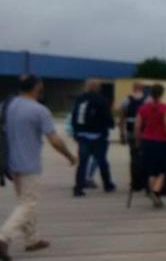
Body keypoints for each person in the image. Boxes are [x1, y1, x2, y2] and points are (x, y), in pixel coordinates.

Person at [0, 75, 77, 260]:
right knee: (29, 203)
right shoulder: (39, 110)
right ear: (37, 88)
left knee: (25, 200)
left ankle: (31, 240)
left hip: (10, 163)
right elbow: (54, 140)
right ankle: (3, 237)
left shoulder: (5, 105)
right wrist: (69, 155)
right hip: (29, 164)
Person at [135, 84, 166, 208]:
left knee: (151, 170)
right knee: (162, 170)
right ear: (162, 94)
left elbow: (137, 126)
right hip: (162, 143)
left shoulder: (143, 108)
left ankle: (152, 192)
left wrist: (138, 141)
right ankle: (156, 192)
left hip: (147, 141)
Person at [72, 80, 116, 197]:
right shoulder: (102, 100)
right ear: (98, 88)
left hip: (82, 135)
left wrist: (76, 132)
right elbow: (107, 117)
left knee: (83, 162)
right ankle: (108, 184)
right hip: (98, 135)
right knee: (102, 161)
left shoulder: (80, 99)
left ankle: (78, 187)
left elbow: (74, 115)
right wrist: (111, 125)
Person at [118, 82, 146, 153]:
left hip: (130, 129)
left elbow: (121, 118)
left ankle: (134, 162)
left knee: (133, 151)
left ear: (133, 88)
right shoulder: (148, 100)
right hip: (144, 130)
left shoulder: (125, 100)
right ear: (143, 89)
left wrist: (122, 134)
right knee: (143, 151)